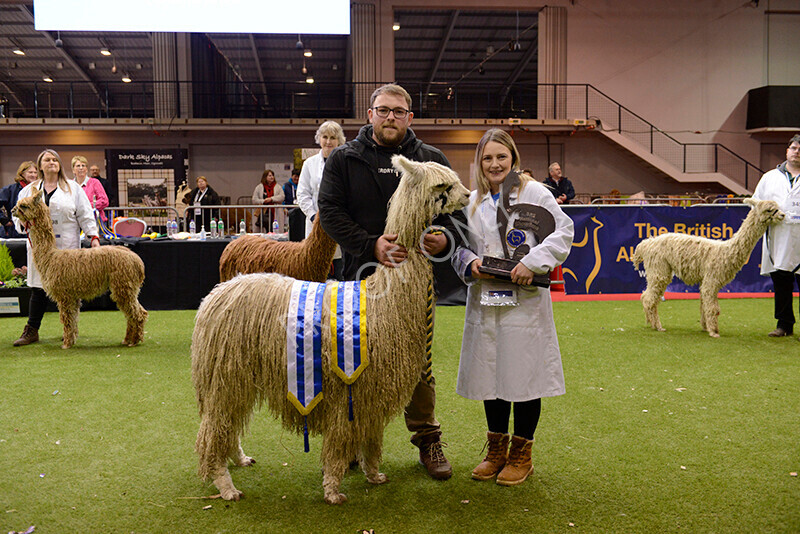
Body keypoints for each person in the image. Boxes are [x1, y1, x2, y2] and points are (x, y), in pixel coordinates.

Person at [318, 83, 466, 480]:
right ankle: (350, 438)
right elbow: (329, 212)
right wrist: (371, 245)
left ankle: (427, 438)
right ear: (370, 114)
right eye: (383, 110)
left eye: (398, 112)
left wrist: (444, 239)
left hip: (414, 286)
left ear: (409, 117)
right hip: (358, 279)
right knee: (349, 359)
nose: (390, 117)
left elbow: (455, 215)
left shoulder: (431, 160)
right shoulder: (345, 159)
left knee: (417, 363)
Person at [451, 129, 573, 486]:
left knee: (523, 374)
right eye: (487, 158)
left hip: (525, 300)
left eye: (501, 157)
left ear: (513, 158)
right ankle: (496, 451)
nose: (495, 164)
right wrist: (470, 262)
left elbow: (563, 231)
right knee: (491, 372)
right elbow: (459, 245)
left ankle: (522, 454)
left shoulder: (535, 192)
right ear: (479, 163)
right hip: (487, 298)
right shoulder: (471, 201)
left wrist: (533, 262)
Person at [12, 149, 101, 347]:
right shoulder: (29, 190)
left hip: (67, 246)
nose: (51, 162)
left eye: (55, 159)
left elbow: (85, 214)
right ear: (40, 165)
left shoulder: (73, 188)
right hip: (41, 248)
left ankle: (69, 330)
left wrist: (93, 237)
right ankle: (32, 330)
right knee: (38, 288)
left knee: (69, 291)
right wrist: (24, 224)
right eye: (47, 160)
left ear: (60, 164)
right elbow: (17, 214)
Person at [752, 134, 800, 338]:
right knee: (781, 283)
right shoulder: (769, 177)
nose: (797, 152)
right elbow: (756, 203)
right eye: (794, 148)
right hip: (778, 236)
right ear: (787, 151)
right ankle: (784, 325)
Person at [297, 120, 346, 278]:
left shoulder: (345, 163)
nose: (328, 141)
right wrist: (313, 217)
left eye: (333, 137)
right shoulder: (309, 164)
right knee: (315, 274)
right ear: (319, 139)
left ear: (339, 141)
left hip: (339, 225)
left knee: (338, 271)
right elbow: (302, 194)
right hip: (315, 225)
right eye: (325, 137)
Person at [0, 161, 36, 238]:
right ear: (22, 173)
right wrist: (4, 220)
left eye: (35, 172)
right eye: (30, 172)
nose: (33, 175)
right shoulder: (9, 190)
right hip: (13, 233)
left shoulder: (38, 190)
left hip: (32, 232)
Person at [72, 155, 109, 222]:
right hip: (75, 221)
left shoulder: (95, 182)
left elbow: (104, 201)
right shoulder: (69, 185)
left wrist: (85, 206)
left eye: (83, 165)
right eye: (78, 166)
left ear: (86, 169)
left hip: (94, 221)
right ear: (73, 170)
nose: (81, 168)